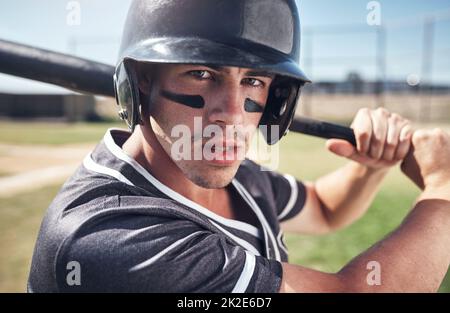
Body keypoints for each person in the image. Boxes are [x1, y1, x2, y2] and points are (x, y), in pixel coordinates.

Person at [28, 0, 450, 292]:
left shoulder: (238, 172)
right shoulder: (109, 237)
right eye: (201, 73)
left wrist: (370, 165)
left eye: (253, 80)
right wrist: (443, 191)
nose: (230, 115)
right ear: (143, 80)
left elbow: (324, 207)